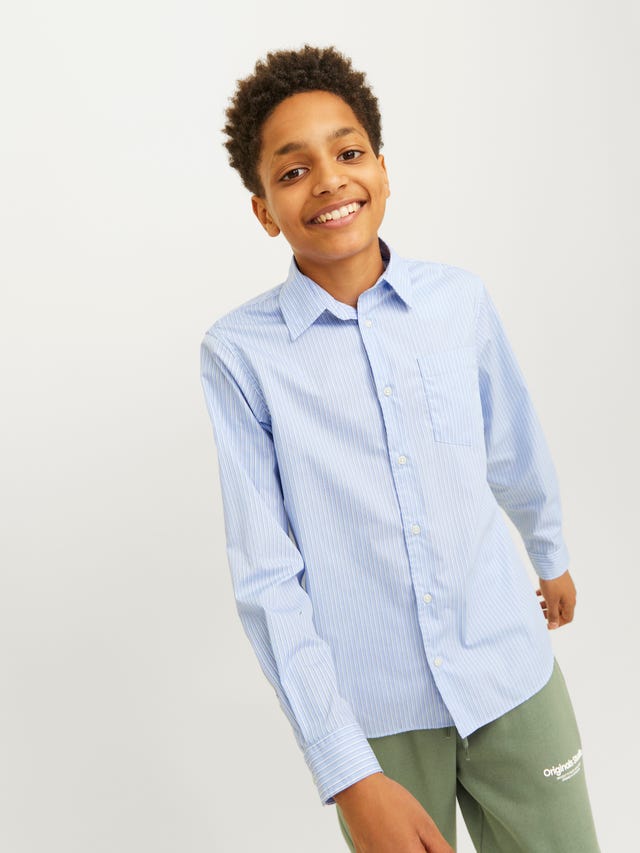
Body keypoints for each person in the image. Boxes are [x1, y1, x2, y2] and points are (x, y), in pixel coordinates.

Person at [199, 44, 600, 852]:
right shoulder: (240, 355)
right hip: (376, 716)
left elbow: (512, 441)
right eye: (293, 171)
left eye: (348, 154)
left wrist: (549, 552)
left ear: (383, 169)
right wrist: (347, 770)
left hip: (510, 671)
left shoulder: (459, 301)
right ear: (264, 210)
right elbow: (268, 577)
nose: (329, 180)